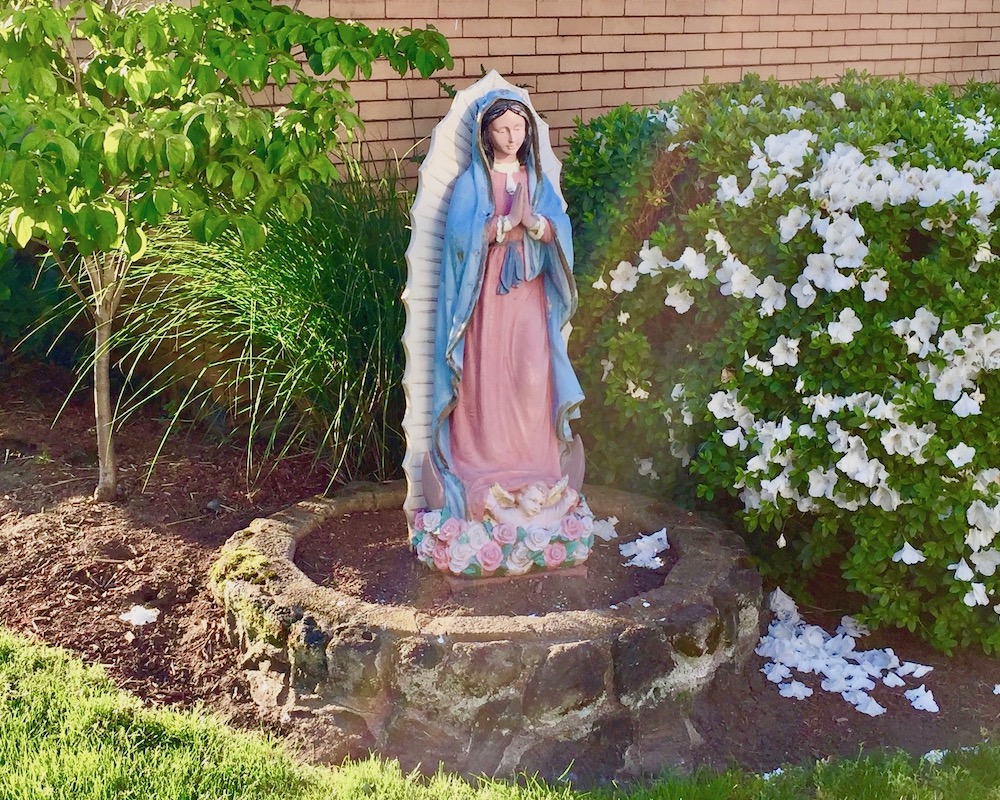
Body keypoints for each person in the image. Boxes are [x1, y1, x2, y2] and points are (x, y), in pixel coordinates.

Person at [429, 90, 584, 522]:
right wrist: (500, 225)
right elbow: (460, 241)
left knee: (533, 377)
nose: (511, 136)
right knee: (489, 378)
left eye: (518, 128)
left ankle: (536, 463)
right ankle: (488, 462)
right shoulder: (472, 184)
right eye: (502, 128)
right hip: (488, 304)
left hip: (529, 298)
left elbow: (560, 231)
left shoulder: (536, 180)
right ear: (486, 134)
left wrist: (534, 223)